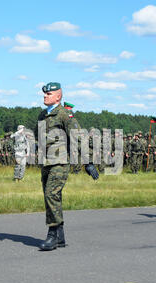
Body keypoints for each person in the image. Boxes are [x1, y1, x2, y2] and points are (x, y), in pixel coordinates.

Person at [36, 82, 99, 251]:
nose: (45, 96)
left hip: (60, 162)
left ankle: (52, 235)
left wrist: (88, 162)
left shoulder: (65, 115)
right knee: (51, 197)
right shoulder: (42, 115)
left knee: (51, 194)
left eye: (48, 94)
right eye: (44, 94)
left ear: (58, 96)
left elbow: (78, 138)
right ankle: (60, 235)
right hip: (46, 162)